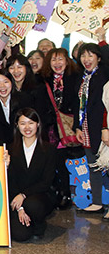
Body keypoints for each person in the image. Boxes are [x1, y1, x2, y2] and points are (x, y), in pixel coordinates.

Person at [40, 47, 80, 209]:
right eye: (53, 60)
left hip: (68, 125)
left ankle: (67, 194)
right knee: (55, 162)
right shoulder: (44, 79)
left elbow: (78, 103)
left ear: (67, 61)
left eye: (60, 59)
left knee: (65, 161)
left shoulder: (75, 78)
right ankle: (59, 192)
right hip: (51, 129)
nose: (57, 63)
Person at [8, 108, 56, 242]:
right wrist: (20, 208)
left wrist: (23, 195)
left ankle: (39, 224)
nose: (27, 127)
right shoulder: (10, 149)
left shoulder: (49, 149)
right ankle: (27, 219)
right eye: (23, 123)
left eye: (31, 123)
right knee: (20, 235)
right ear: (17, 126)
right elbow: (10, 180)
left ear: (38, 124)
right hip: (16, 199)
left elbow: (46, 182)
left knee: (33, 204)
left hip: (40, 196)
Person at [74, 43, 109, 213]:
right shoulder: (83, 78)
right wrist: (78, 127)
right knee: (93, 165)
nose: (86, 59)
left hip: (102, 128)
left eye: (90, 55)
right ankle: (97, 202)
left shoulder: (103, 75)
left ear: (99, 58)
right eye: (83, 55)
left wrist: (102, 40)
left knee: (107, 166)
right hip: (86, 128)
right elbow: (79, 104)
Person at [0, 69, 32, 145]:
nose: (2, 86)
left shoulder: (24, 100)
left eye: (6, 82)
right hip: (1, 147)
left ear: (11, 83)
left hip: (23, 144)